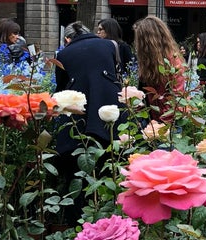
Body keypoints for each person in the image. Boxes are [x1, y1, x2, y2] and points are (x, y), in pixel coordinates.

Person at [53, 21, 125, 224]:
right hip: (108, 114)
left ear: (67, 39)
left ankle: (79, 223)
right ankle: (113, 220)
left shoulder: (64, 55)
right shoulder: (110, 45)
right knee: (110, 164)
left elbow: (60, 89)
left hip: (78, 116)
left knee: (77, 170)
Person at [133, 15, 186, 122]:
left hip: (169, 124)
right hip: (155, 120)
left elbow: (176, 99)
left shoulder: (173, 62)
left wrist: (160, 128)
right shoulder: (149, 62)